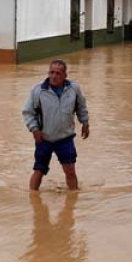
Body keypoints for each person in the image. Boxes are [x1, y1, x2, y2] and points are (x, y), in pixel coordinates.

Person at [22, 59, 90, 191]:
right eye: (51, 72)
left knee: (70, 171)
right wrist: (34, 130)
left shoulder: (74, 89)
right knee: (39, 171)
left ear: (65, 75)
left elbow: (81, 107)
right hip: (44, 138)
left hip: (65, 138)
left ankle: (73, 200)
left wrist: (85, 123)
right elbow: (28, 112)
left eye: (58, 73)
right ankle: (32, 197)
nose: (54, 76)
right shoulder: (38, 91)